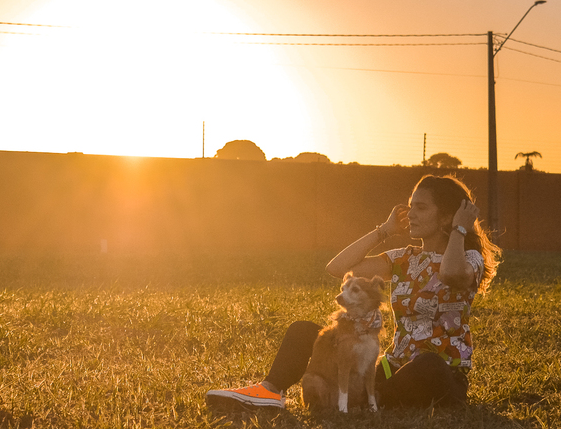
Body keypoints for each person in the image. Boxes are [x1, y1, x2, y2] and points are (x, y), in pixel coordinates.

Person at [204, 174, 500, 412]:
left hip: (438, 377)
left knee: (428, 365)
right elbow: (338, 267)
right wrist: (383, 230)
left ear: (447, 217)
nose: (411, 214)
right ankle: (269, 391)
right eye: (410, 206)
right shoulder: (402, 258)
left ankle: (367, 402)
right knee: (306, 331)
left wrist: (460, 231)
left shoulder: (468, 258)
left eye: (421, 207)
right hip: (389, 369)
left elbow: (449, 274)